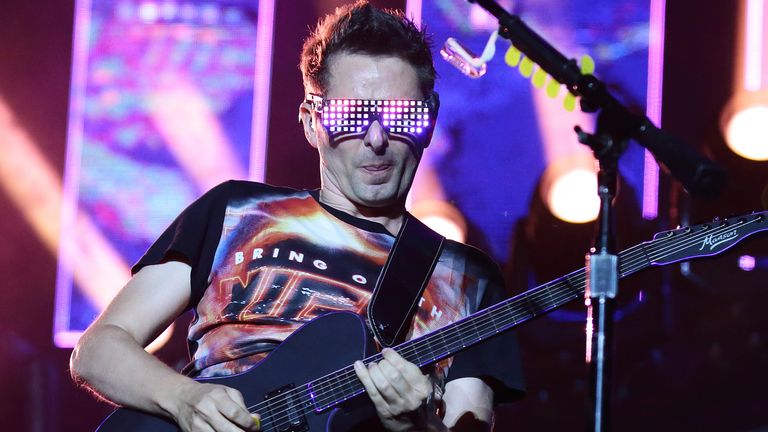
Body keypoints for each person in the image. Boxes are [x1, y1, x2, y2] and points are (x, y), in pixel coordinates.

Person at [70, 2, 524, 431]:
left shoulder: (467, 276)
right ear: (310, 122)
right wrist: (184, 399)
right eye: (351, 114)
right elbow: (97, 350)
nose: (377, 138)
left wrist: (416, 427)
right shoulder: (237, 212)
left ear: (430, 119)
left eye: (402, 115)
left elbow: (469, 419)